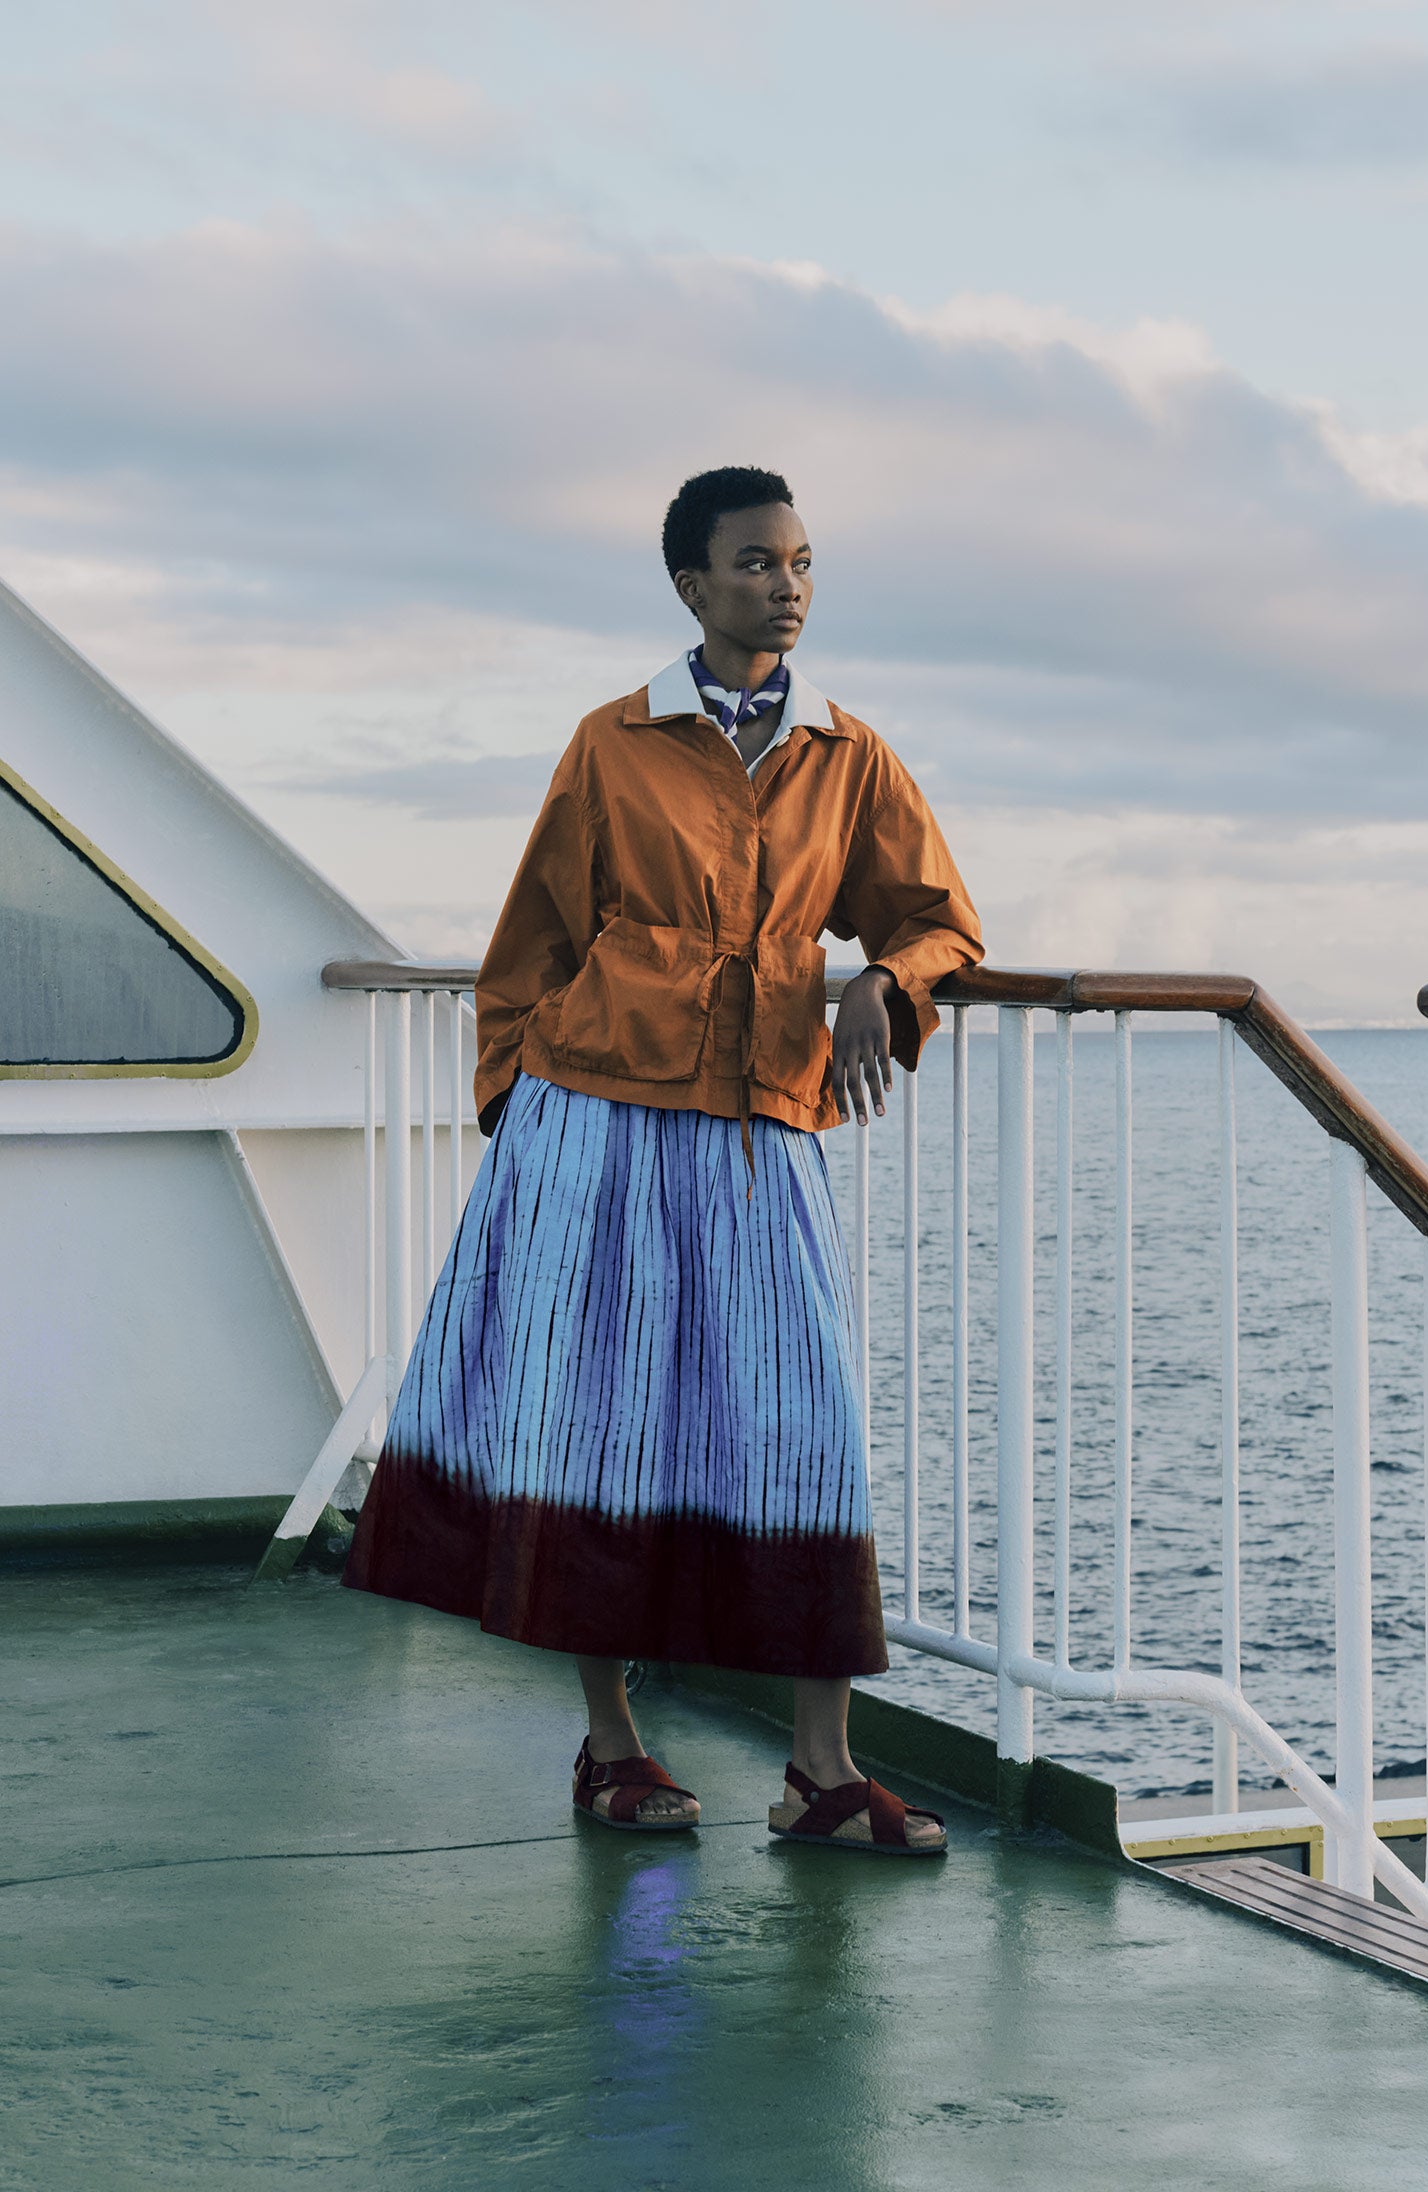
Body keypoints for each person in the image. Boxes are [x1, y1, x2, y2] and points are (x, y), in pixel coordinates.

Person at [345, 466, 982, 1856]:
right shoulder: (612, 743)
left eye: (802, 561)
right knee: (601, 1424)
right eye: (756, 563)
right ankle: (616, 1747)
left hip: (763, 1123)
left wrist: (882, 978)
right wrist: (520, 1108)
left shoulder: (848, 754)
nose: (788, 584)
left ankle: (821, 1773)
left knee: (803, 1431)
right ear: (692, 588)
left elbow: (940, 920)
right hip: (597, 1118)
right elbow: (531, 948)